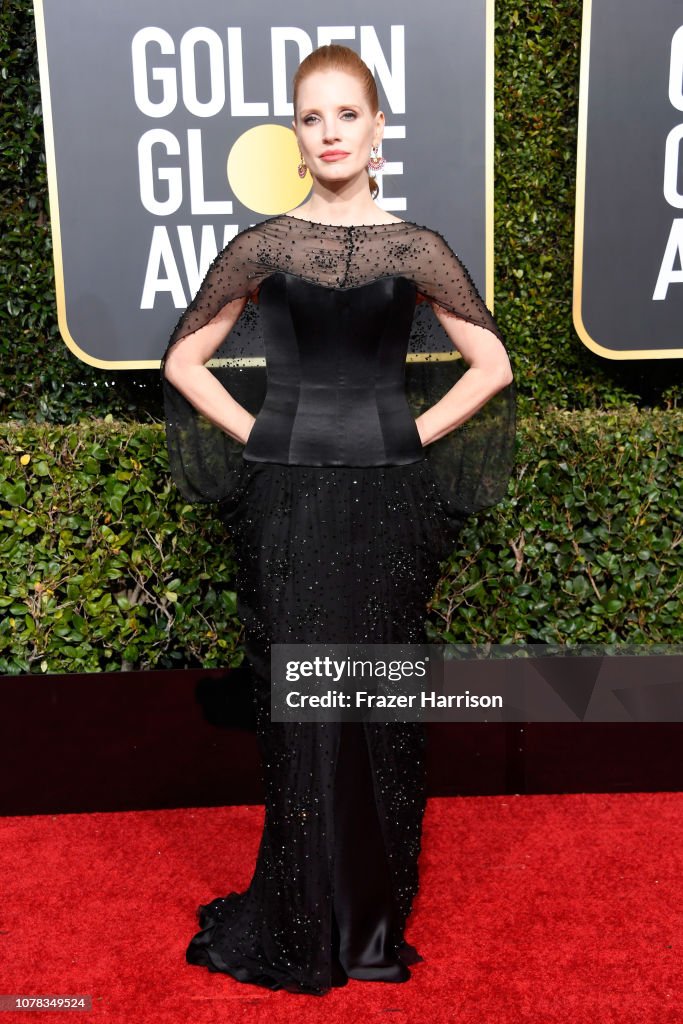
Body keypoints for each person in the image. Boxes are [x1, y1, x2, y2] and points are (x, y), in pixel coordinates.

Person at [161, 44, 514, 996]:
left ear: (376, 128)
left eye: (345, 116)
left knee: (376, 702)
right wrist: (261, 434)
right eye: (310, 119)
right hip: (289, 502)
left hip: (389, 505)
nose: (328, 134)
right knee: (305, 707)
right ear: (297, 133)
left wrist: (408, 432)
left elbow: (494, 368)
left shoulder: (416, 248)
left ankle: (370, 913)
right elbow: (182, 363)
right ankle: (305, 914)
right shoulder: (265, 246)